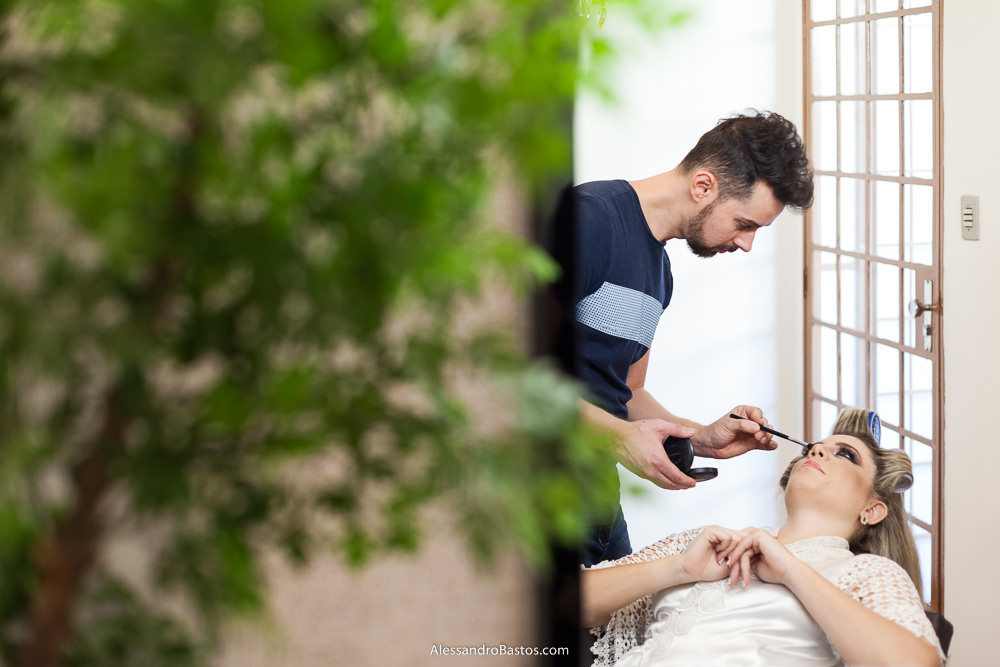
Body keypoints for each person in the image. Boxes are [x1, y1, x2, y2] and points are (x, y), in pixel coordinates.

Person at [549, 111, 814, 565]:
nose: (747, 244)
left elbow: (627, 392)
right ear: (703, 186)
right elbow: (511, 371)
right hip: (537, 500)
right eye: (745, 223)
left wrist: (703, 438)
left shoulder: (660, 273)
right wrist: (618, 437)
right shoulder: (588, 221)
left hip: (597, 502)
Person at [579, 409, 944, 666]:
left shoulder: (870, 573)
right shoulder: (703, 544)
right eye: (813, 447)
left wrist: (791, 571)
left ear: (873, 510)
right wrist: (678, 569)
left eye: (846, 455)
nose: (817, 450)